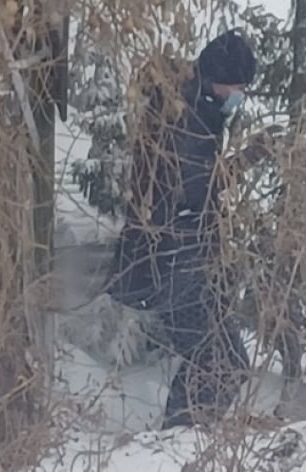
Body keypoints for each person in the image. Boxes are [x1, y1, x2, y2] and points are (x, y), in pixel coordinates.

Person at [106, 29, 258, 429]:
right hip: (172, 264)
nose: (238, 96)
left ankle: (181, 435)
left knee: (219, 361)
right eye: (237, 87)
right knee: (220, 362)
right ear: (217, 78)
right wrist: (246, 161)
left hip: (183, 262)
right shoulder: (186, 117)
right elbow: (196, 188)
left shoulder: (196, 105)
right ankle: (179, 438)